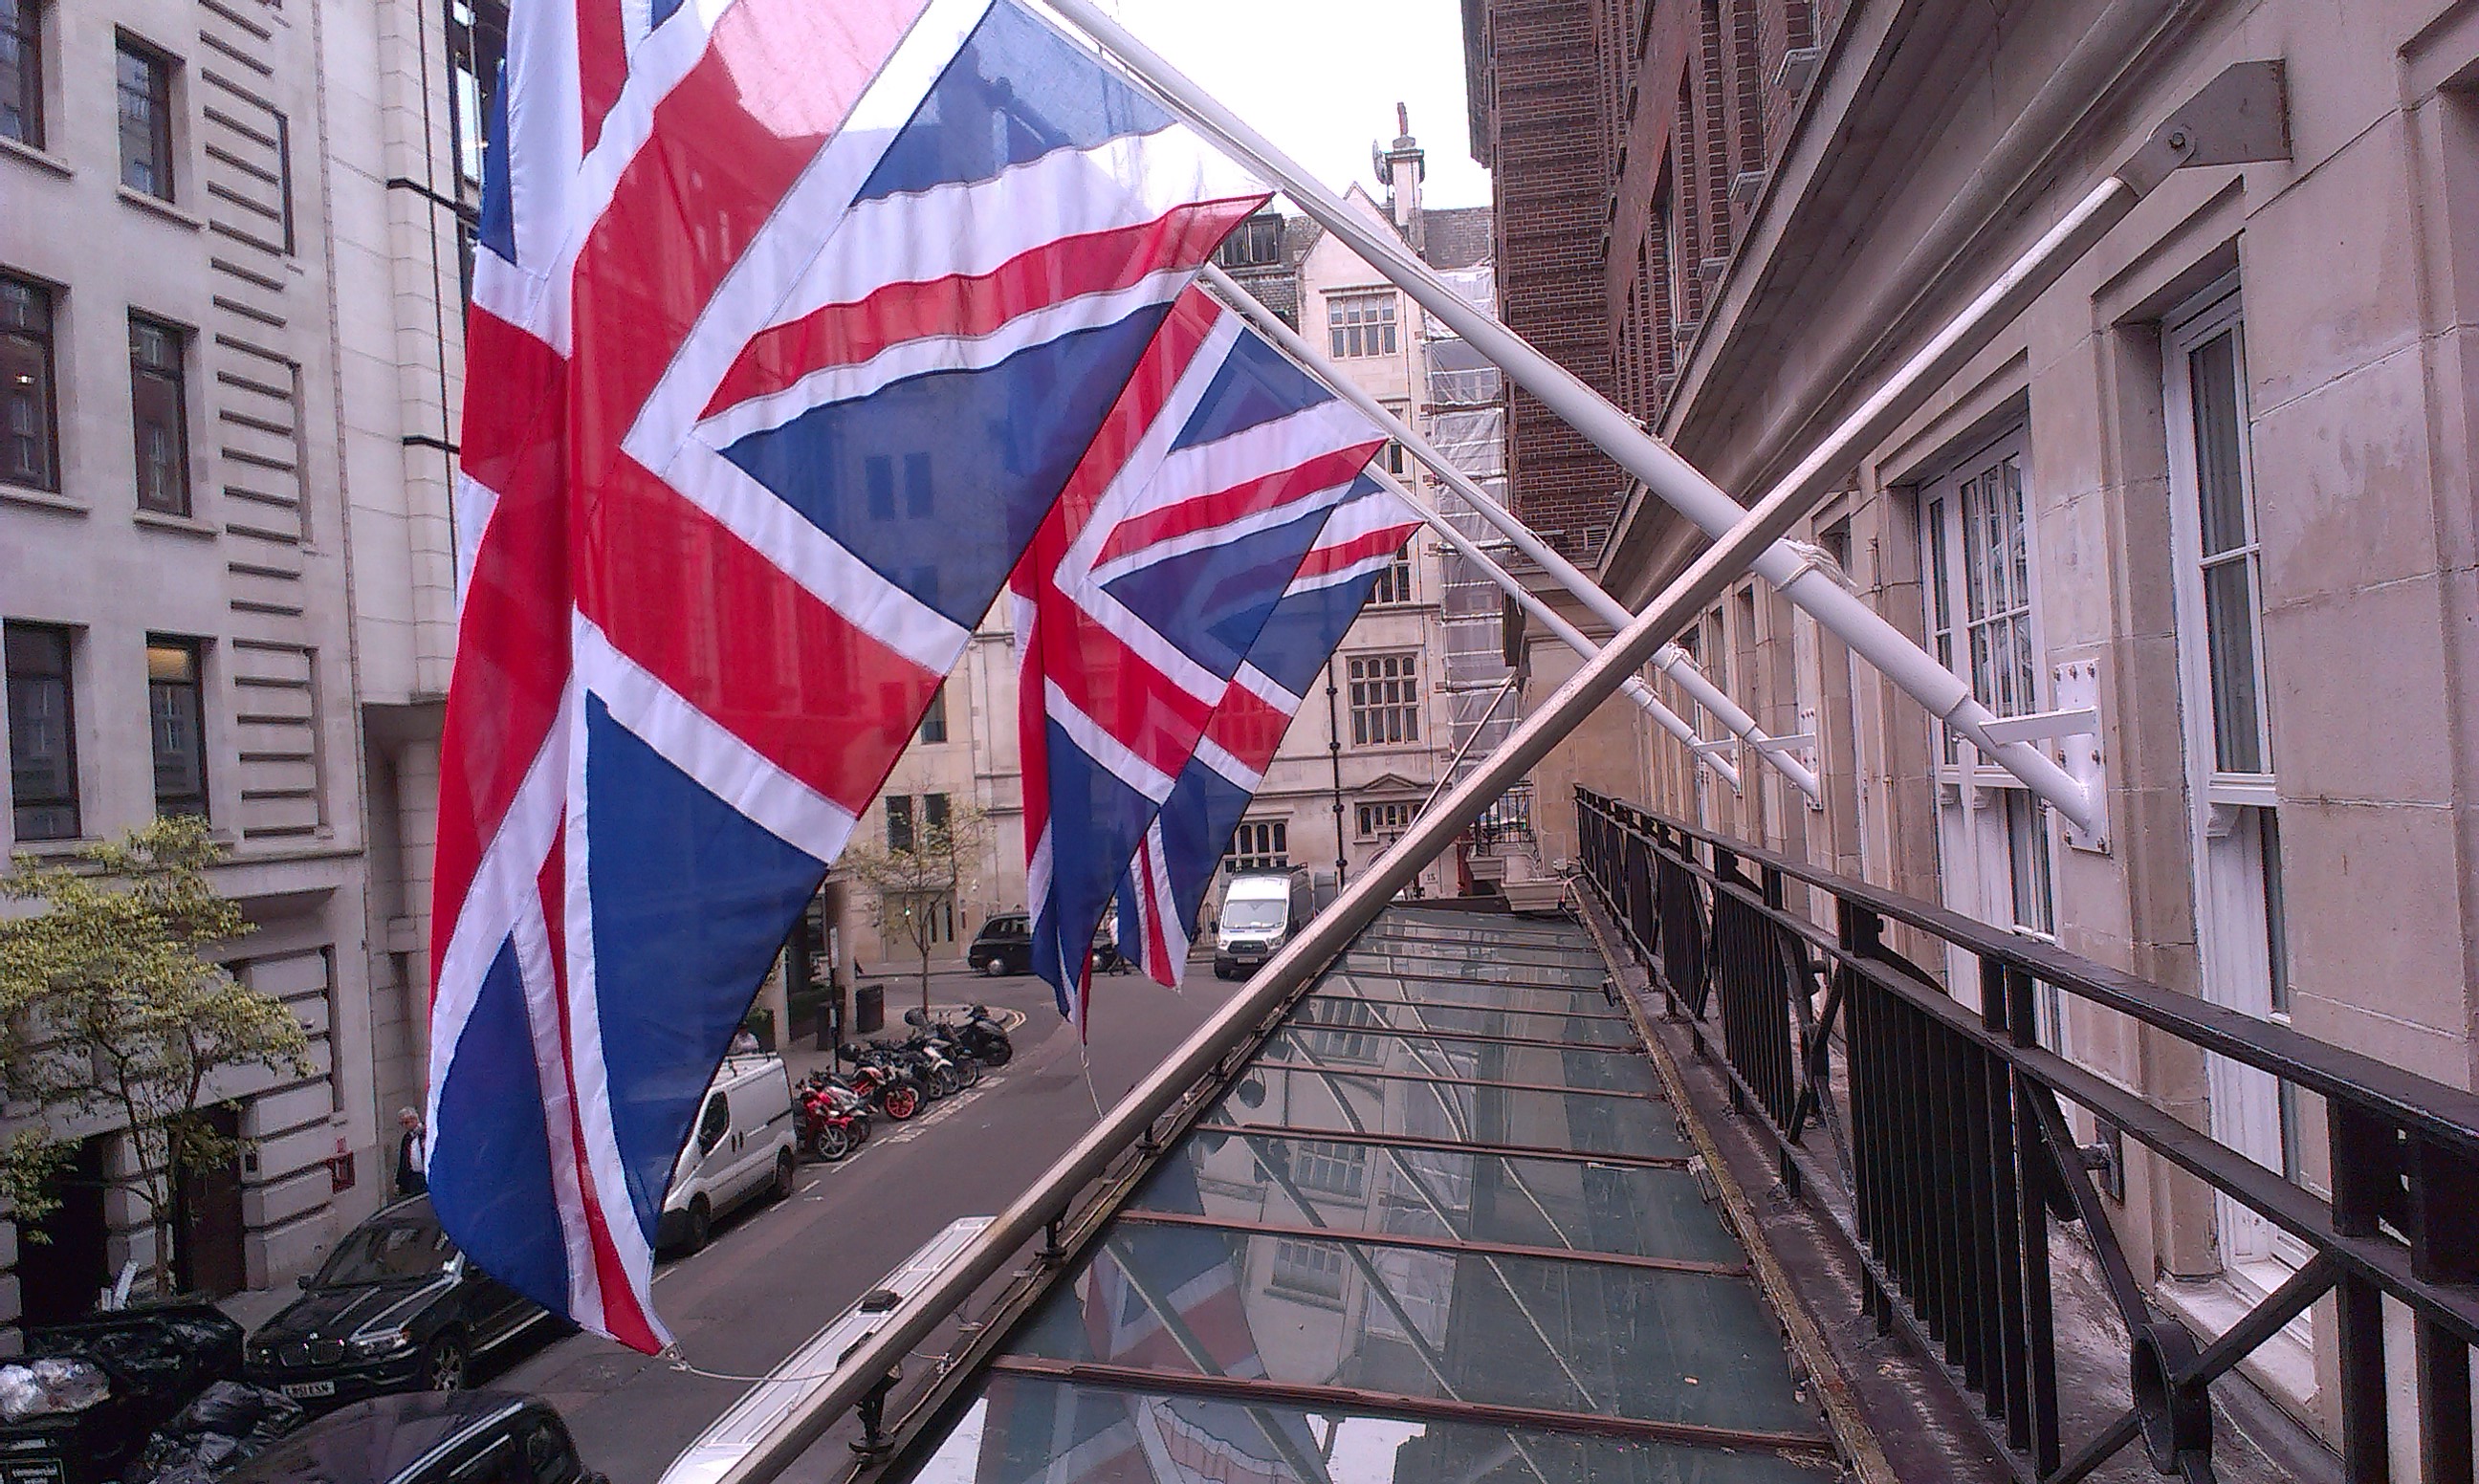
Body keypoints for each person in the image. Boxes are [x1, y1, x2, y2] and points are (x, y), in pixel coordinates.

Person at [395, 1107, 427, 1197]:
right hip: (414, 1176)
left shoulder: (426, 1133)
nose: (405, 1126)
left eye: (406, 1122)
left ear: (414, 1119)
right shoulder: (407, 1138)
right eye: (402, 1124)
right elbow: (403, 1161)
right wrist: (399, 1182)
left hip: (427, 1173)